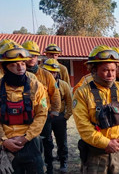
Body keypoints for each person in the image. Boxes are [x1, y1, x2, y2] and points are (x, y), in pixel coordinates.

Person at [73, 45, 119, 174]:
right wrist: (106, 143)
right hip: (95, 155)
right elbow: (83, 127)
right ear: (94, 70)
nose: (111, 74)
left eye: (113, 70)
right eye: (105, 70)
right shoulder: (82, 93)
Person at [0, 42, 48, 174]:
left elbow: (42, 114)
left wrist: (26, 137)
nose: (20, 67)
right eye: (13, 64)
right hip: (6, 145)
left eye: (22, 63)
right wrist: (4, 141)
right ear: (4, 67)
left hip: (30, 142)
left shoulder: (36, 86)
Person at [21, 41, 60, 174]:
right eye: (29, 55)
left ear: (38, 57)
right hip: (24, 117)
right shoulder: (18, 74)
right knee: (28, 143)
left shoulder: (46, 75)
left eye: (35, 55)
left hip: (44, 116)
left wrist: (54, 111)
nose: (32, 58)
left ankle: (48, 167)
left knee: (47, 143)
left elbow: (55, 94)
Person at [41, 59, 72, 174]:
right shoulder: (40, 85)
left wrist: (66, 117)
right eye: (49, 71)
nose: (52, 74)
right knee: (47, 142)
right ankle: (48, 165)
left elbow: (69, 101)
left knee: (61, 140)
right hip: (45, 117)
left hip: (60, 117)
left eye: (54, 72)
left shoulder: (63, 85)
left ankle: (63, 161)